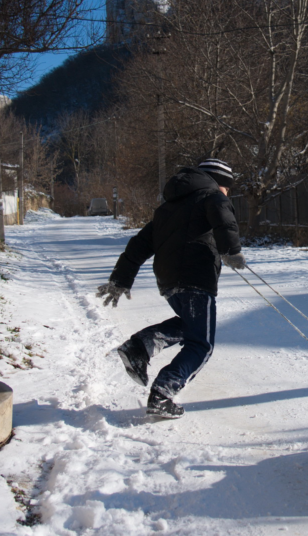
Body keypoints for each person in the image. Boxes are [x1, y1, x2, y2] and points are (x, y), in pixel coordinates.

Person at [97, 159, 246, 419]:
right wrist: (231, 251)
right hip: (197, 277)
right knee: (201, 344)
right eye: (227, 187)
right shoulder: (212, 195)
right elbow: (223, 217)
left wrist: (121, 279)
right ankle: (163, 392)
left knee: (190, 324)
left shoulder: (169, 207)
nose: (227, 193)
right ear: (219, 182)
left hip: (169, 279)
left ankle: (140, 347)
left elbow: (139, 244)